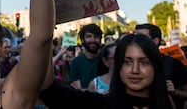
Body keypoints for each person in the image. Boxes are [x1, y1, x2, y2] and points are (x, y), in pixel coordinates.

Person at [39, 33, 175, 109]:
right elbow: (50, 92)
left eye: (144, 62)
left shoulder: (166, 102)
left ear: (155, 66)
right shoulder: (100, 104)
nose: (135, 70)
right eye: (127, 62)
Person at [136, 23, 187, 109]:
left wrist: (174, 91)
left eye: (141, 38)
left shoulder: (173, 64)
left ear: (155, 40)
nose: (136, 42)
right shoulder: (129, 64)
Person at [69, 23, 106, 90]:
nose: (93, 40)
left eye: (96, 37)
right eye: (89, 36)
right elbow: (79, 89)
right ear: (82, 39)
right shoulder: (76, 62)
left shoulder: (106, 60)